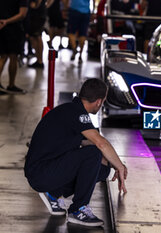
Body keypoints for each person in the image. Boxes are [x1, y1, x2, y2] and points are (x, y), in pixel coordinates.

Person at [24, 78, 127, 227]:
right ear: (99, 101)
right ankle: (78, 209)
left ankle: (53, 193)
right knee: (94, 154)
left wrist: (112, 164)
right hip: (40, 173)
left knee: (102, 169)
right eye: (103, 101)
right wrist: (120, 166)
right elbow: (100, 143)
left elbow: (89, 143)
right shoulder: (77, 114)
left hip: (45, 170)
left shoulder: (73, 111)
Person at [0, 0, 28, 94]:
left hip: (1, 27)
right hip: (13, 28)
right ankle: (11, 85)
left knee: (3, 57)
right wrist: (6, 21)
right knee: (13, 57)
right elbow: (22, 14)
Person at [28, 0, 51, 69]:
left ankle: (39, 60)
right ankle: (39, 60)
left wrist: (37, 4)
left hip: (37, 13)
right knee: (35, 37)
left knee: (36, 36)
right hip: (39, 12)